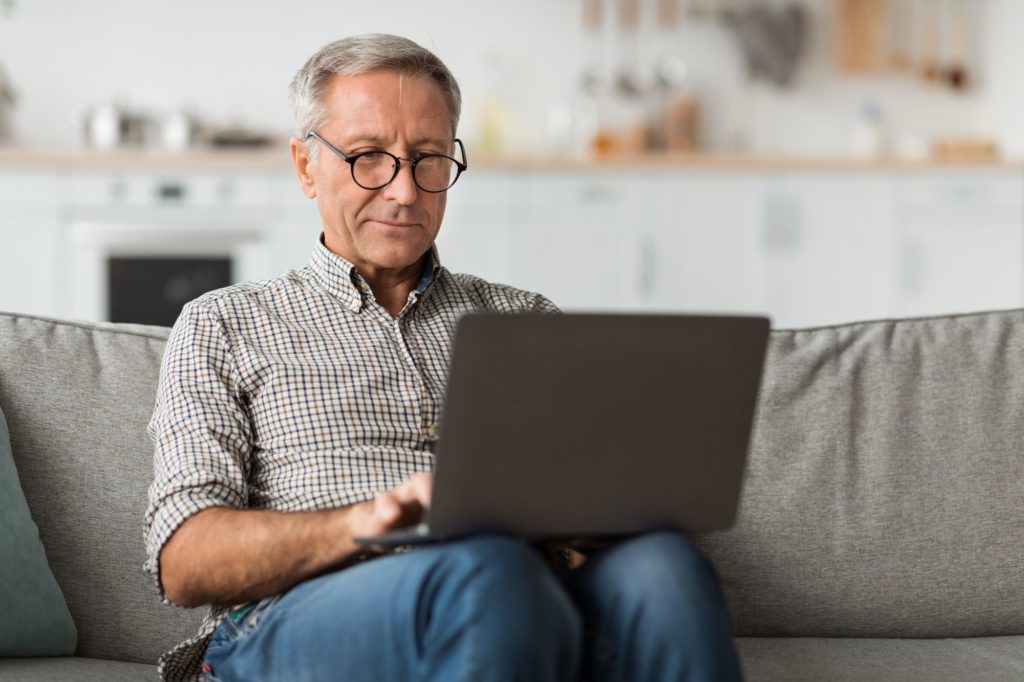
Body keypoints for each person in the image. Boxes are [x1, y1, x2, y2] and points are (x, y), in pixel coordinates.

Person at [144, 33, 743, 682]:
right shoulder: (223, 322)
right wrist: (363, 523)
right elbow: (185, 561)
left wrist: (609, 514)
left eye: (428, 159)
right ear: (305, 165)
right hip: (300, 614)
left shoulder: (523, 319)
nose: (404, 191)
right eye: (369, 158)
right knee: (487, 571)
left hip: (519, 593)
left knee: (665, 569)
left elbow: (582, 513)